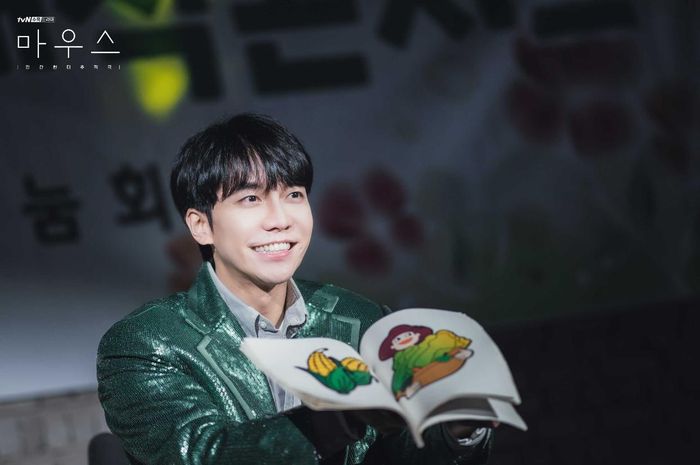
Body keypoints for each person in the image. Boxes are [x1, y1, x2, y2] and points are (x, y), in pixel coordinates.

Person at [97, 114, 493, 465]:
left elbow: (404, 452)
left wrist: (455, 430)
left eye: (294, 195)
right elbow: (203, 454)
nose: (280, 219)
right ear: (201, 226)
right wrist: (339, 417)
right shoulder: (147, 343)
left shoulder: (362, 319)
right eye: (250, 198)